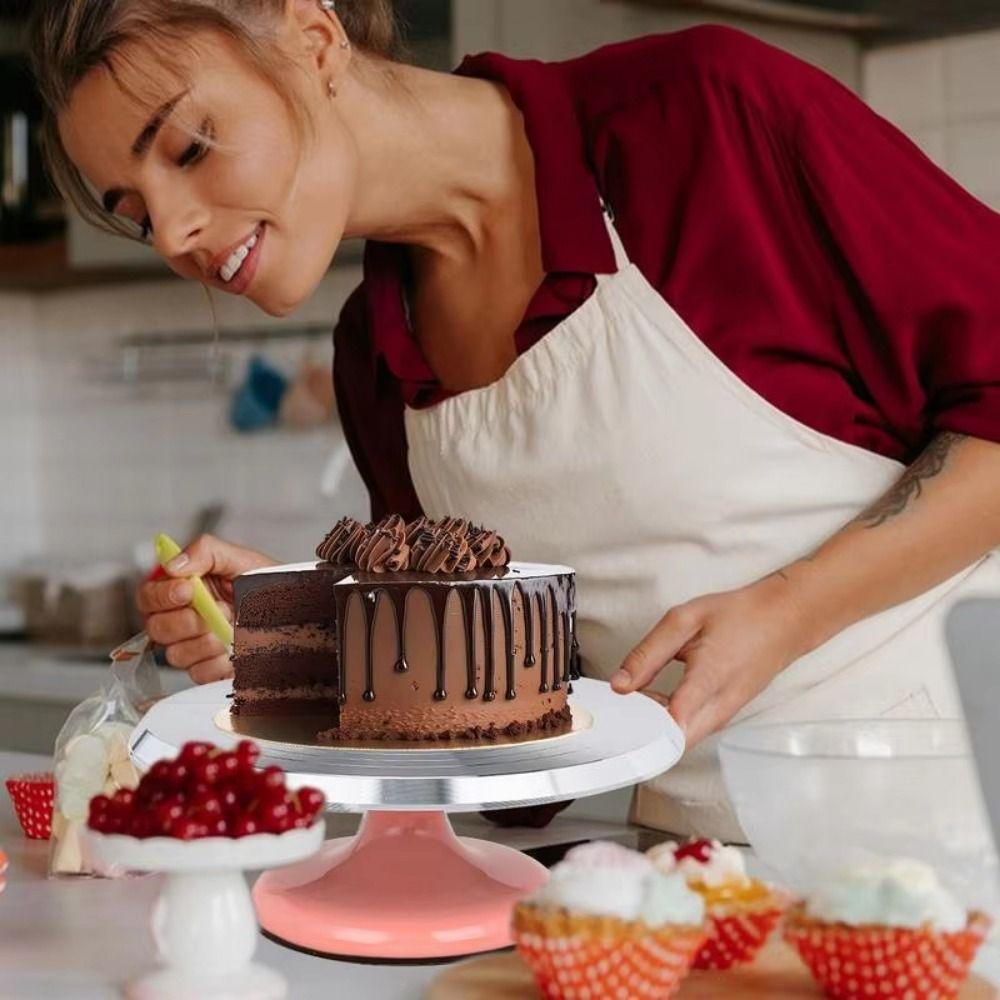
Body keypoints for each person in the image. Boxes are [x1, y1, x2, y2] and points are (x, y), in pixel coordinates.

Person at [31, 0, 1000, 840]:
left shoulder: (701, 118)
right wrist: (307, 646)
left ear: (313, 39)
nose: (173, 233)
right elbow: (524, 729)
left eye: (189, 147)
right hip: (699, 880)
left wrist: (789, 610)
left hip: (962, 823)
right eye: (135, 212)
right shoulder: (377, 355)